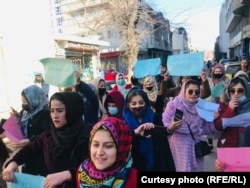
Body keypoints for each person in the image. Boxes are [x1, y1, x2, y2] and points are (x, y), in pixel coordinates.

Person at [2, 92, 89, 188]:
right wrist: (13, 162)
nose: (54, 115)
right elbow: (32, 148)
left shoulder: (88, 136)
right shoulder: (51, 133)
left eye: (60, 111)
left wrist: (68, 175)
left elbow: (94, 169)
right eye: (52, 111)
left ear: (72, 111)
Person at [162, 79, 216, 172]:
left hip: (195, 147)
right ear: (184, 92)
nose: (193, 94)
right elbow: (165, 125)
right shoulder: (173, 105)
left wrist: (214, 119)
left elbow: (207, 128)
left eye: (197, 92)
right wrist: (171, 127)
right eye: (190, 91)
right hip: (178, 147)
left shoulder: (202, 107)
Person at [123, 86, 176, 171]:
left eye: (141, 103)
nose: (137, 106)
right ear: (128, 105)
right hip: (134, 169)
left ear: (146, 103)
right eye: (134, 103)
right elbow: (123, 145)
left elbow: (164, 145)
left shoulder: (156, 118)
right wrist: (135, 133)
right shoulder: (124, 124)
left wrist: (157, 130)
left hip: (157, 167)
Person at [76, 117, 137, 188]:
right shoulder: (82, 172)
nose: (99, 152)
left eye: (108, 146)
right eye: (96, 145)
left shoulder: (134, 179)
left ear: (121, 149)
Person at [9, 85, 51, 176]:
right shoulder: (25, 112)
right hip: (27, 155)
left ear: (34, 99)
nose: (23, 104)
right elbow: (24, 124)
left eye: (25, 101)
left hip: (41, 156)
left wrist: (30, 140)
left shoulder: (46, 113)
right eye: (22, 101)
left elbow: (47, 133)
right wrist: (17, 118)